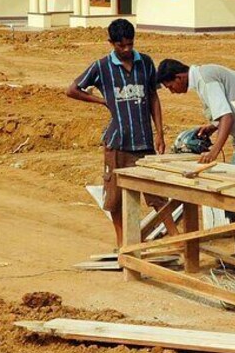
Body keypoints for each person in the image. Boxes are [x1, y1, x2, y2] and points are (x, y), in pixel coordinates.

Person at [66, 19, 165, 247]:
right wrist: (102, 101)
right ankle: (124, 246)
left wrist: (159, 133)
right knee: (116, 199)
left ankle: (178, 240)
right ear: (111, 43)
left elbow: (153, 97)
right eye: (121, 46)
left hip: (144, 142)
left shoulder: (146, 63)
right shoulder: (101, 67)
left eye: (130, 44)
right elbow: (72, 90)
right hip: (117, 142)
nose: (127, 50)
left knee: (156, 195)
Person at [156, 59, 235, 261]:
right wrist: (212, 126)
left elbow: (227, 116)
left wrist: (214, 151)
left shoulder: (205, 80)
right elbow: (225, 112)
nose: (172, 91)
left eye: (171, 86)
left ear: (179, 77)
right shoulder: (205, 76)